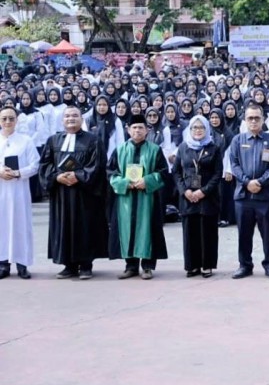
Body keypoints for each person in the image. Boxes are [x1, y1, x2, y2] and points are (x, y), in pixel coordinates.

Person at [40, 106, 107, 279]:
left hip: (84, 193)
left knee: (84, 226)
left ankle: (85, 265)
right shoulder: (53, 140)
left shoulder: (93, 140)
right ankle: (68, 265)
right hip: (61, 194)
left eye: (75, 115)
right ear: (62, 120)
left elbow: (97, 165)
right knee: (64, 226)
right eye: (68, 116)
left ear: (81, 119)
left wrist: (78, 176)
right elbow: (45, 165)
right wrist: (57, 177)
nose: (71, 118)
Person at [108, 114, 169, 280]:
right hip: (125, 199)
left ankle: (148, 267)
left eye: (141, 127)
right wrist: (124, 183)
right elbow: (110, 173)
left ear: (147, 130)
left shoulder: (155, 150)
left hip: (147, 198)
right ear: (128, 130)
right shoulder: (120, 150)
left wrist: (148, 180)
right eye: (134, 127)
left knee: (148, 228)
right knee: (127, 229)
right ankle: (131, 266)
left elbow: (164, 173)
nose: (137, 130)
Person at [230, 103, 269, 280]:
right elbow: (234, 165)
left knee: (268, 234)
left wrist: (260, 181)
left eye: (257, 118)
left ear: (263, 119)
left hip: (265, 196)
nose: (253, 121)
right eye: (250, 118)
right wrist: (246, 182)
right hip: (243, 196)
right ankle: (244, 265)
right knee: (244, 234)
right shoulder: (238, 140)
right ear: (245, 120)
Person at [172, 115, 223, 278]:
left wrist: (203, 191)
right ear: (190, 129)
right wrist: (185, 191)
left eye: (201, 127)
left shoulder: (214, 148)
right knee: (190, 231)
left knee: (207, 231)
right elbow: (176, 172)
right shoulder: (183, 147)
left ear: (207, 129)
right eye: (195, 127)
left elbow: (217, 173)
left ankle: (207, 265)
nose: (198, 131)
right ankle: (192, 266)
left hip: (207, 196)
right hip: (188, 196)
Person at [0, 107, 41, 279]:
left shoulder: (26, 141)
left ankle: (22, 264)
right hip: (1, 189)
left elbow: (35, 164)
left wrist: (18, 173)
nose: (8, 122)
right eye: (4, 119)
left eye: (11, 118)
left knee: (20, 225)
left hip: (19, 191)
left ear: (17, 120)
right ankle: (3, 263)